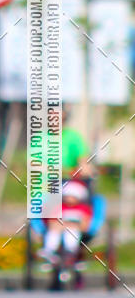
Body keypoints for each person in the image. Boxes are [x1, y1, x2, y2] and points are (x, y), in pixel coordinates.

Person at [39, 106, 94, 264]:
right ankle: (49, 250)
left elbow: (83, 161)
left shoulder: (74, 138)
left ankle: (72, 251)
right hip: (50, 185)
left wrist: (84, 169)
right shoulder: (41, 139)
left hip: (71, 181)